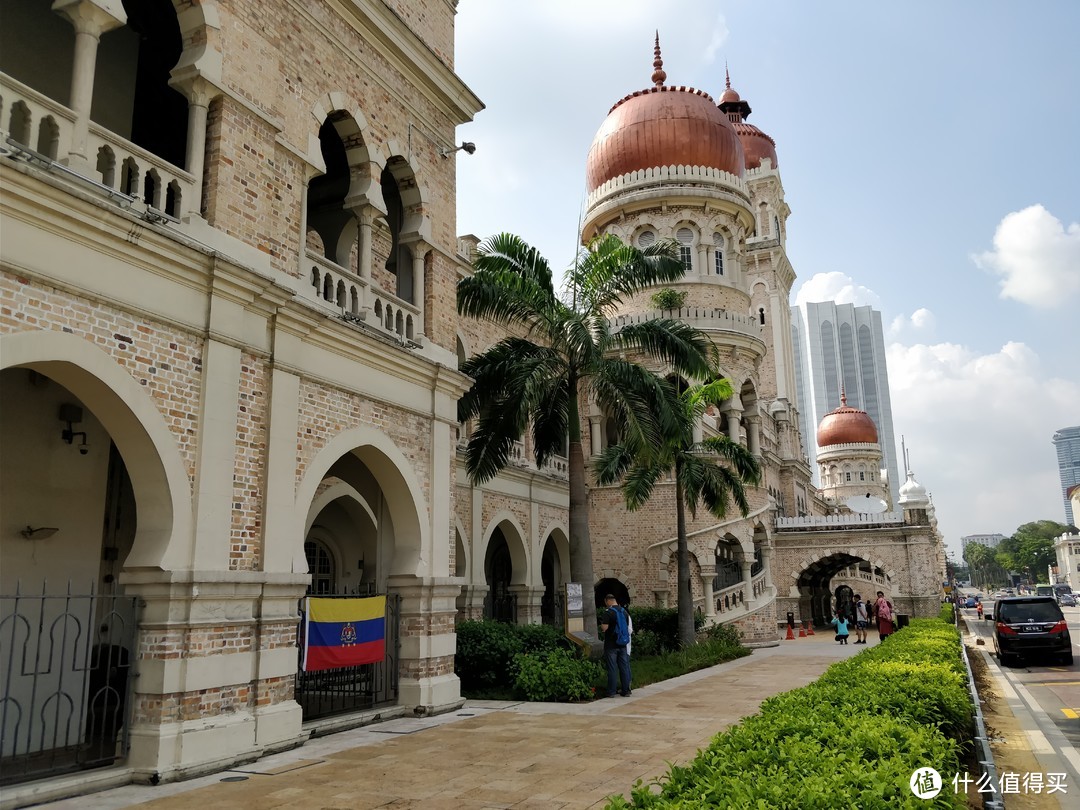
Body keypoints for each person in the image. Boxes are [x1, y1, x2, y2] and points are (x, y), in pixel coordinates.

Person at [599, 593, 631, 697]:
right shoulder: (624, 612)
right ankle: (626, 690)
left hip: (611, 645)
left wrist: (602, 626)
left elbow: (604, 628)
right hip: (623, 644)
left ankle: (611, 692)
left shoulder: (608, 612)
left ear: (607, 601)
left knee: (612, 668)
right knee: (624, 667)